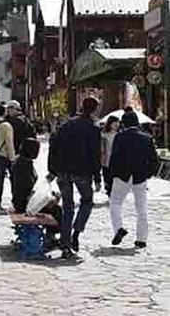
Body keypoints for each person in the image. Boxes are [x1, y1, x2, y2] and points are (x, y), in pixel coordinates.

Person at [48, 96, 101, 259]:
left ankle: (65, 245)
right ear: (95, 109)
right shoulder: (93, 128)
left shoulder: (66, 124)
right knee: (87, 201)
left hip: (63, 171)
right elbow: (95, 154)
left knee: (67, 207)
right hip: (82, 172)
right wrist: (97, 177)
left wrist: (51, 169)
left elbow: (53, 145)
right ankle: (76, 233)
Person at [109, 110, 160, 248]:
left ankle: (119, 228)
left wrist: (110, 176)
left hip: (122, 175)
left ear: (123, 123)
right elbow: (154, 160)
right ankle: (141, 239)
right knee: (141, 207)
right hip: (140, 176)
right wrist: (148, 173)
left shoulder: (119, 137)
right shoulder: (147, 138)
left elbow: (114, 157)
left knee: (115, 203)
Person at [11, 137, 62, 247]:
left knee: (54, 205)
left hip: (21, 201)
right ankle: (51, 236)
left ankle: (51, 236)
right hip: (24, 204)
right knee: (56, 210)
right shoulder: (23, 165)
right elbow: (28, 191)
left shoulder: (22, 161)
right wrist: (48, 200)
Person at [100, 115, 120, 197]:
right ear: (110, 124)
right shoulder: (104, 135)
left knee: (115, 179)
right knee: (108, 179)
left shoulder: (120, 135)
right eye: (114, 123)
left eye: (117, 123)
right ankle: (109, 191)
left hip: (117, 161)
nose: (116, 125)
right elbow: (102, 149)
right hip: (107, 160)